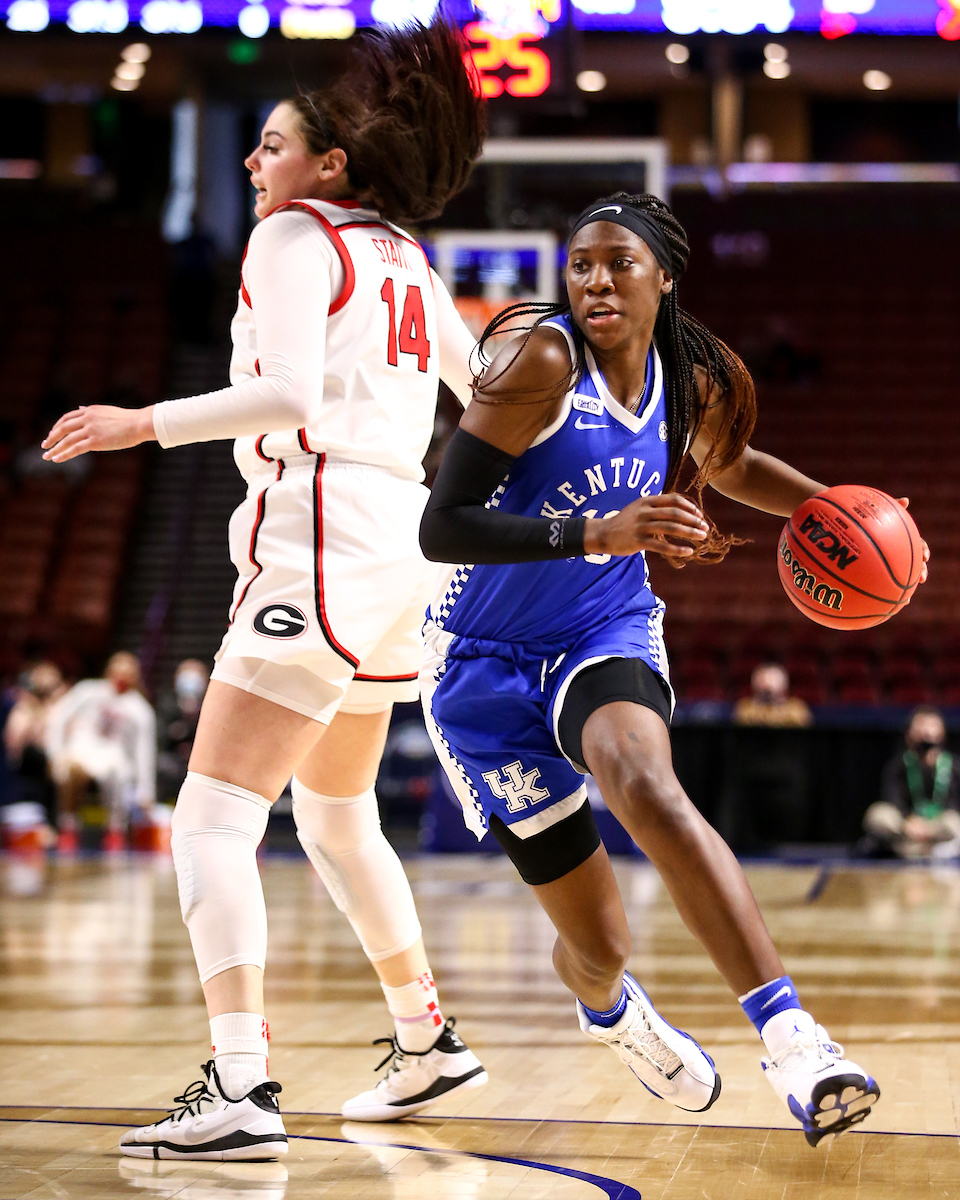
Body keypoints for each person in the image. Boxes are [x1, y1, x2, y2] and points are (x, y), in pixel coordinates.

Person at [41, 21, 487, 1160]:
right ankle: (426, 1037)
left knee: (210, 818)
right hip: (403, 541)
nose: (253, 160)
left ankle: (241, 1085)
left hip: (324, 524)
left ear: (328, 165)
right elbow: (485, 384)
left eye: (272, 144)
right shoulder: (403, 254)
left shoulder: (295, 234)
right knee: (336, 815)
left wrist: (140, 422)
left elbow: (288, 397)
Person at [418, 192, 927, 1148]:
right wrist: (596, 531)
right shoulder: (539, 363)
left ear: (664, 277)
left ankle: (794, 1041)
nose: (596, 281)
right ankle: (611, 1013)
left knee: (645, 781)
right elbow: (441, 528)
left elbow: (730, 466)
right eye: (580, 265)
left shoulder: (687, 379)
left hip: (599, 626)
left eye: (619, 263)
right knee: (599, 945)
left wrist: (847, 516)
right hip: (480, 664)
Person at [45, 651, 156, 853]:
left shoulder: (140, 710)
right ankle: (68, 827)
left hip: (115, 756)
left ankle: (115, 829)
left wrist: (146, 790)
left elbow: (144, 751)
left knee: (119, 776)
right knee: (70, 771)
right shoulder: (88, 691)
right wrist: (55, 753)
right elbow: (58, 718)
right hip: (83, 748)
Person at [863, 707, 960, 859]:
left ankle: (927, 848)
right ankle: (914, 848)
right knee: (878, 814)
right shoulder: (898, 766)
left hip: (937, 827)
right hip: (907, 827)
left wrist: (928, 827)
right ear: (909, 735)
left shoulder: (953, 766)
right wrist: (909, 824)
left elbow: (953, 806)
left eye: (931, 729)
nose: (926, 734)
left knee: (953, 822)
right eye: (921, 729)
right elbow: (893, 801)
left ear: (941, 735)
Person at [3, 660, 67, 830]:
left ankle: (64, 823)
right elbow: (14, 745)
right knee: (43, 759)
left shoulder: (62, 708)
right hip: (30, 763)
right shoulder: (23, 708)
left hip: (57, 759)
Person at [156, 659, 210, 803]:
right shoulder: (167, 703)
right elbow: (161, 737)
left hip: (199, 759)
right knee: (162, 765)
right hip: (172, 759)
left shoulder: (209, 704)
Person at [733, 662, 812, 728]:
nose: (767, 685)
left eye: (773, 679)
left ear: (784, 684)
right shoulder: (744, 708)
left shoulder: (797, 709)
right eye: (762, 680)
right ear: (754, 683)